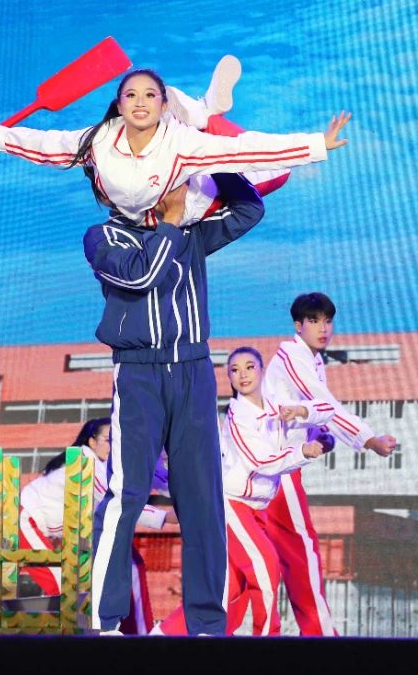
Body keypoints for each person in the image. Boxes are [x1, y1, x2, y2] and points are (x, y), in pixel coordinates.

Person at [87, 165, 292, 636]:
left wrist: (213, 157)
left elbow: (249, 210)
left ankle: (206, 625)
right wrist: (172, 222)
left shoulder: (190, 235)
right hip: (139, 372)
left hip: (194, 372)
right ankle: (103, 622)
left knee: (203, 501)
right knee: (126, 494)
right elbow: (141, 276)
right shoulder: (103, 237)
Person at [0, 62, 348, 227]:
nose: (140, 101)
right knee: (186, 109)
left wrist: (317, 144)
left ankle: (205, 112)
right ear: (119, 105)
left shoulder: (180, 143)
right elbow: (49, 146)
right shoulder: (99, 139)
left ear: (159, 106)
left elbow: (245, 150)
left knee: (277, 171)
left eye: (149, 96)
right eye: (131, 95)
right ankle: (205, 111)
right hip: (142, 217)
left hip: (195, 201)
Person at [0, 419, 170, 635]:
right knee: (62, 587)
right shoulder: (86, 462)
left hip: (26, 525)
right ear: (92, 441)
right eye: (109, 440)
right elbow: (116, 501)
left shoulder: (98, 467)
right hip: (22, 523)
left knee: (47, 588)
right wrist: (164, 517)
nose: (114, 446)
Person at [156, 346, 329, 636]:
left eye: (250, 367)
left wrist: (303, 412)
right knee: (266, 567)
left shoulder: (277, 406)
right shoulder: (238, 417)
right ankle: (267, 638)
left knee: (229, 593)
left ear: (262, 371)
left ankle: (163, 636)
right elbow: (260, 461)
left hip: (257, 508)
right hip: (231, 503)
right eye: (235, 370)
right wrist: (302, 451)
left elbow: (326, 410)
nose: (243, 375)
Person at [256, 292, 398, 635]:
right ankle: (320, 636)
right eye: (314, 321)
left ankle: (172, 634)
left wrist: (323, 436)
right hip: (277, 470)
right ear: (298, 326)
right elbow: (326, 406)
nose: (323, 328)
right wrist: (370, 440)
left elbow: (315, 413)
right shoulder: (293, 356)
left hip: (276, 467)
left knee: (258, 567)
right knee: (301, 552)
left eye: (328, 321)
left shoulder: (313, 359)